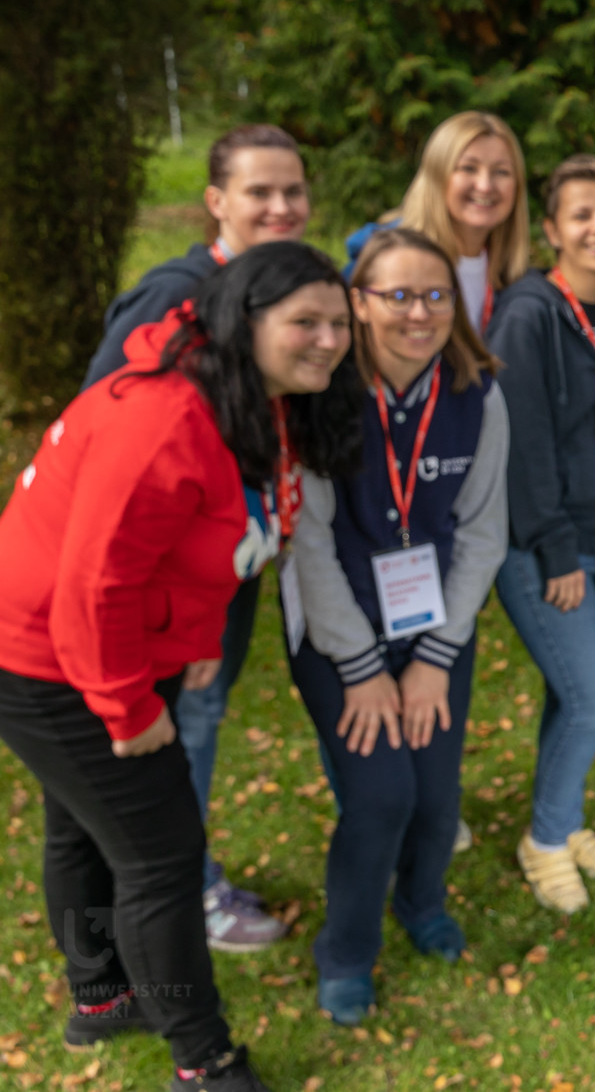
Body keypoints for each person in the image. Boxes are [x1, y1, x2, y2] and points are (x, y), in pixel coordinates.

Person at [0, 243, 360, 1089]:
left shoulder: (248, 394)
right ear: (246, 319)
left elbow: (203, 540)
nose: (329, 340)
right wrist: (126, 707)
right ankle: (203, 1061)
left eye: (339, 322)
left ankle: (101, 997)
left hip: (111, 642)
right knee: (160, 856)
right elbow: (96, 583)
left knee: (84, 825)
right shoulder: (163, 418)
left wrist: (194, 639)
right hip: (48, 656)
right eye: (305, 322)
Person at [81, 125, 314, 952]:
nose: (281, 206)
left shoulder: (282, 288)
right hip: (164, 585)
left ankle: (162, 883)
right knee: (176, 730)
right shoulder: (174, 297)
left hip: (227, 569)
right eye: (260, 192)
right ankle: (178, 894)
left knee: (195, 722)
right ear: (216, 200)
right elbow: (103, 439)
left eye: (293, 190)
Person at [288, 228, 509, 1025]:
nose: (420, 313)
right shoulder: (321, 394)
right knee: (382, 795)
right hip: (337, 628)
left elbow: (483, 531)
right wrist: (360, 667)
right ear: (359, 302)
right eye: (399, 295)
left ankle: (421, 902)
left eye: (436, 294)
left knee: (437, 795)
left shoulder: (479, 393)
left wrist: (437, 655)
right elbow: (309, 542)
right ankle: (346, 953)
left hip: (436, 626)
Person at [487, 155, 595, 912]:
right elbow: (521, 445)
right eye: (581, 214)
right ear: (552, 229)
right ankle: (545, 840)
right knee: (594, 696)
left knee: (571, 693)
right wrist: (555, 549)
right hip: (546, 546)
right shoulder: (529, 314)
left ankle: (565, 818)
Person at [346, 111, 529, 338]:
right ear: (437, 175)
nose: (485, 185)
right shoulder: (383, 260)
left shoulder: (514, 280)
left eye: (501, 172)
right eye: (468, 168)